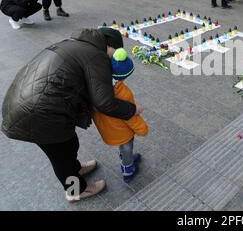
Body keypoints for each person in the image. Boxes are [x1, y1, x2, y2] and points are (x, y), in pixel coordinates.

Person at [1, 28, 144, 202]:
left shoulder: (72, 44)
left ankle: (75, 168)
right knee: (61, 156)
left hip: (25, 104)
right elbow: (105, 102)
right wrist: (132, 110)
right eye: (115, 52)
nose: (113, 57)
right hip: (38, 114)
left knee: (68, 146)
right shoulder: (96, 55)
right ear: (109, 46)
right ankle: (76, 191)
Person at [92, 48, 148, 183]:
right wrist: (142, 128)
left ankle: (125, 157)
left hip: (107, 128)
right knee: (127, 145)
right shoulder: (122, 92)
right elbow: (129, 114)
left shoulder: (99, 86)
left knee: (122, 146)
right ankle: (128, 169)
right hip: (122, 130)